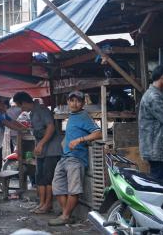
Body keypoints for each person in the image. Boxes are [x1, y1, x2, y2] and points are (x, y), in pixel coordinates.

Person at [49, 91, 102, 226]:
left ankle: (65, 216)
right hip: (65, 158)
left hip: (76, 159)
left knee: (74, 189)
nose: (74, 103)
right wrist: (66, 141)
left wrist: (80, 139)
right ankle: (66, 215)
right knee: (57, 186)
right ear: (67, 102)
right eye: (72, 100)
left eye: (78, 101)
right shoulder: (72, 116)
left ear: (83, 103)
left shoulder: (83, 116)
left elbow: (98, 133)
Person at [13, 92, 63, 214]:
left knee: (48, 178)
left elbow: (50, 128)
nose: (21, 109)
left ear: (24, 102)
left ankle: (48, 204)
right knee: (39, 177)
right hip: (42, 151)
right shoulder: (33, 112)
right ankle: (41, 204)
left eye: (20, 106)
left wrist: (40, 144)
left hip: (51, 150)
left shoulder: (42, 110)